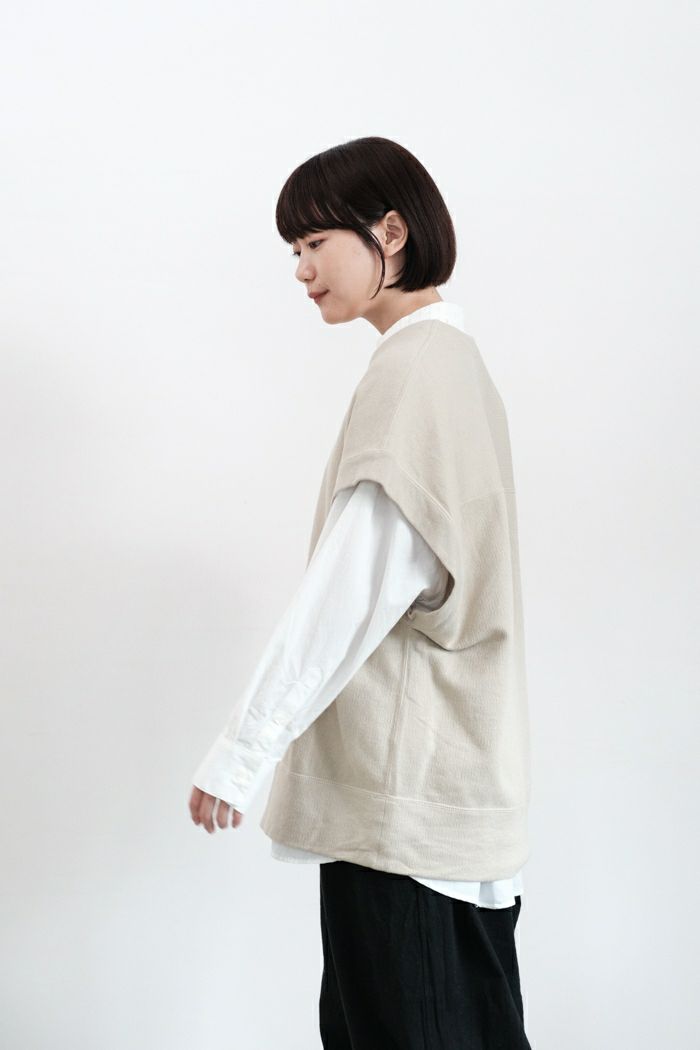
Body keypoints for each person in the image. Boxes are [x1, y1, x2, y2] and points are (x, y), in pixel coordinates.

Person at [189, 136, 532, 1049]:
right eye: (293, 251)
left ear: (391, 232)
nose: (302, 271)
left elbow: (353, 588)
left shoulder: (416, 374)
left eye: (315, 244)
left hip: (403, 816)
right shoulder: (454, 367)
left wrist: (242, 751)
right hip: (445, 806)